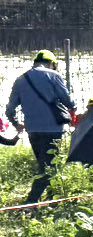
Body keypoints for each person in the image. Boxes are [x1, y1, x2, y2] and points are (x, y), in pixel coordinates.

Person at [6, 49, 76, 205]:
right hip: (53, 130)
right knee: (49, 168)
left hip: (33, 131)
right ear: (51, 63)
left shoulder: (21, 79)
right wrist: (74, 111)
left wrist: (17, 124)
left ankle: (53, 200)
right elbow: (68, 101)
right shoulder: (54, 76)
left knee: (45, 166)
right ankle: (30, 203)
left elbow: (10, 110)